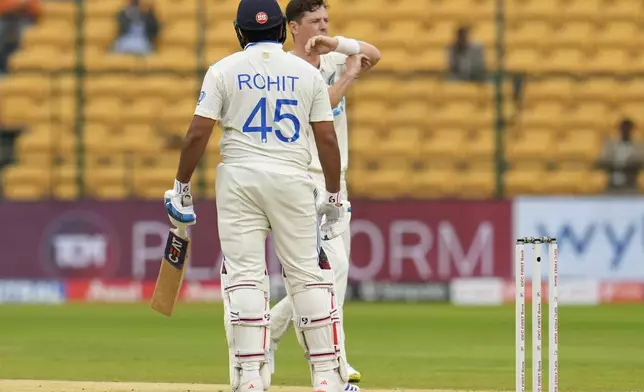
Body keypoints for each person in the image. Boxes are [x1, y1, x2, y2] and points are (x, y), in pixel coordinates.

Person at [163, 0, 352, 391]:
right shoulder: (306, 73)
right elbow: (327, 138)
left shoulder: (223, 70)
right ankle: (327, 378)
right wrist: (333, 195)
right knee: (309, 277)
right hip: (292, 178)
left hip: (239, 180)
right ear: (283, 30)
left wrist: (182, 187)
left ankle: (250, 377)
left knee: (246, 277)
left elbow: (198, 134)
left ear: (240, 32)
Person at [269, 0, 381, 385]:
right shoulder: (285, 69)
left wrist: (338, 46)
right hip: (303, 178)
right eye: (315, 22)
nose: (322, 26)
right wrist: (348, 76)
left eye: (326, 20)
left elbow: (374, 54)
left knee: (332, 274)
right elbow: (315, 113)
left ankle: (269, 328)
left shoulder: (331, 58)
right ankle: (336, 364)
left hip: (336, 179)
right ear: (294, 28)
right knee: (328, 272)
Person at [596, 117, 644, 194]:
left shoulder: (639, 147)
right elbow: (601, 161)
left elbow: (640, 162)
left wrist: (624, 165)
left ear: (632, 130)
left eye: (628, 129)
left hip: (631, 185)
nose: (625, 131)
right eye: (623, 128)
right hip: (611, 185)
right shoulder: (610, 146)